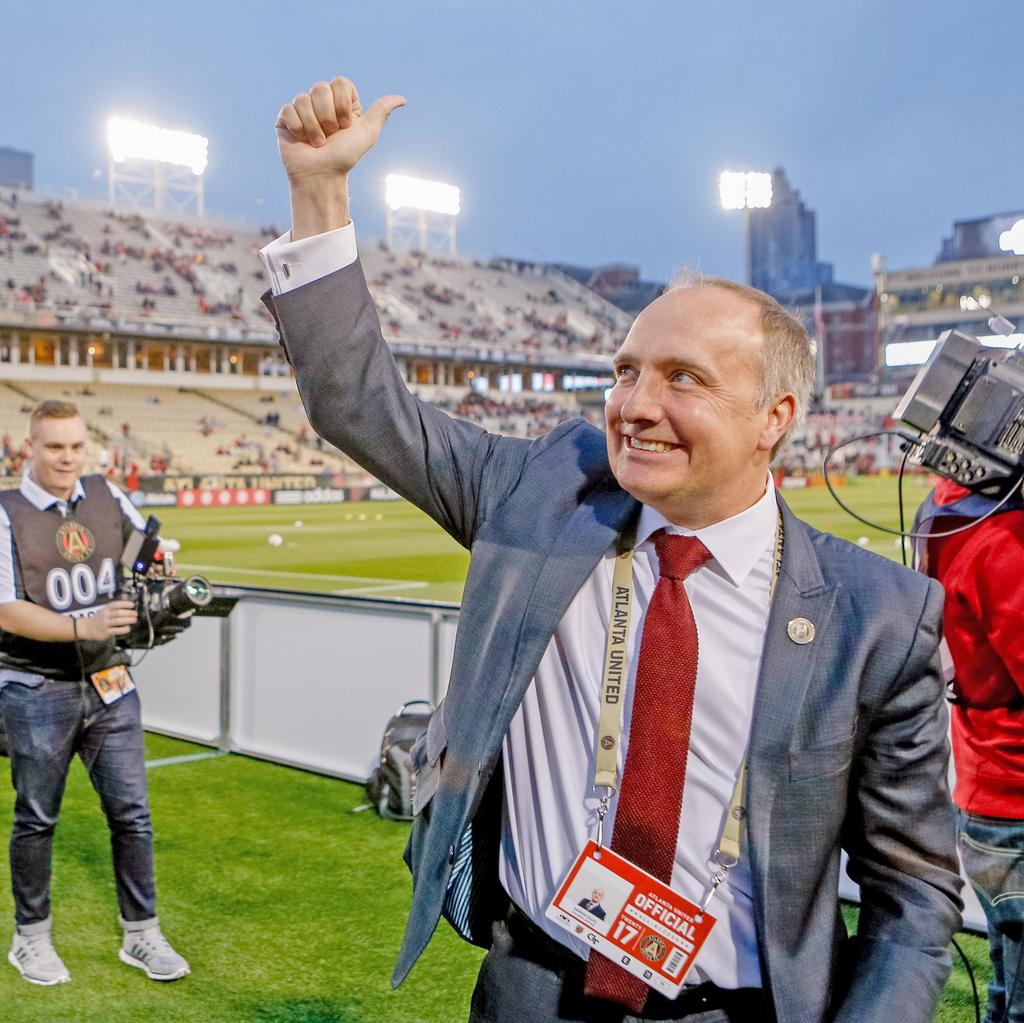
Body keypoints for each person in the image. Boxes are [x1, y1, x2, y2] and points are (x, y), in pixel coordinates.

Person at [260, 76, 963, 1023]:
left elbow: (913, 895)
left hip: (740, 1007)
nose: (635, 405)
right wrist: (319, 193)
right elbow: (356, 402)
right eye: (626, 371)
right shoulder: (543, 495)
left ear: (775, 419)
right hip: (533, 987)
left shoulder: (877, 615)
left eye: (684, 379)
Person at [0, 400, 189, 986]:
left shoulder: (108, 494)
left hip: (111, 682)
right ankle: (31, 939)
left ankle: (142, 935)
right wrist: (83, 625)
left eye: (77, 446)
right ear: (29, 447)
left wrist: (162, 568)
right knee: (36, 819)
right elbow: (5, 610)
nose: (67, 457)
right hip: (35, 686)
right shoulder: (5, 512)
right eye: (55, 447)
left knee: (132, 815)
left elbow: (148, 550)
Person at [917, 477, 1024, 1023]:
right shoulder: (1005, 535)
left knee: (1007, 994)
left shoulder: (955, 505)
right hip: (1015, 801)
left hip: (988, 788)